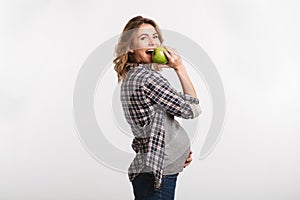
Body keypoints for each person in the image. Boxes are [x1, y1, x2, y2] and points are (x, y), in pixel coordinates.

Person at [113, 16, 201, 200]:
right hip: (157, 174)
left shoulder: (134, 75)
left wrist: (177, 153)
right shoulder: (147, 78)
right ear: (130, 47)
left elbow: (155, 126)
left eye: (155, 36)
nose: (153, 42)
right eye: (144, 38)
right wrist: (179, 67)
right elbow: (191, 109)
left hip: (155, 168)